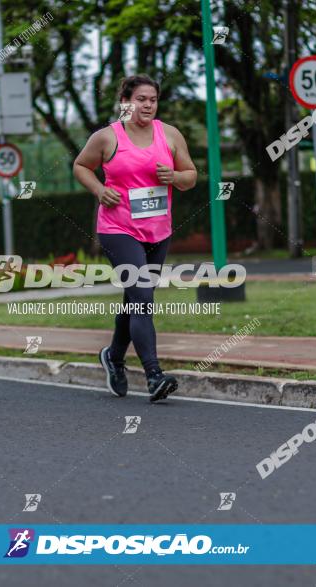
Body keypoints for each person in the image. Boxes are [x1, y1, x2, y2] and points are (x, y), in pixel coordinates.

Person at [73, 74, 197, 402]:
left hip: (158, 230)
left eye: (153, 100)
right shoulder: (107, 137)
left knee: (135, 299)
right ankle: (154, 375)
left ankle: (114, 356)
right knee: (142, 294)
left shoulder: (169, 134)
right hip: (118, 228)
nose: (148, 105)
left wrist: (175, 176)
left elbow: (191, 177)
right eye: (141, 99)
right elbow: (81, 166)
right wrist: (100, 190)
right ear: (126, 102)